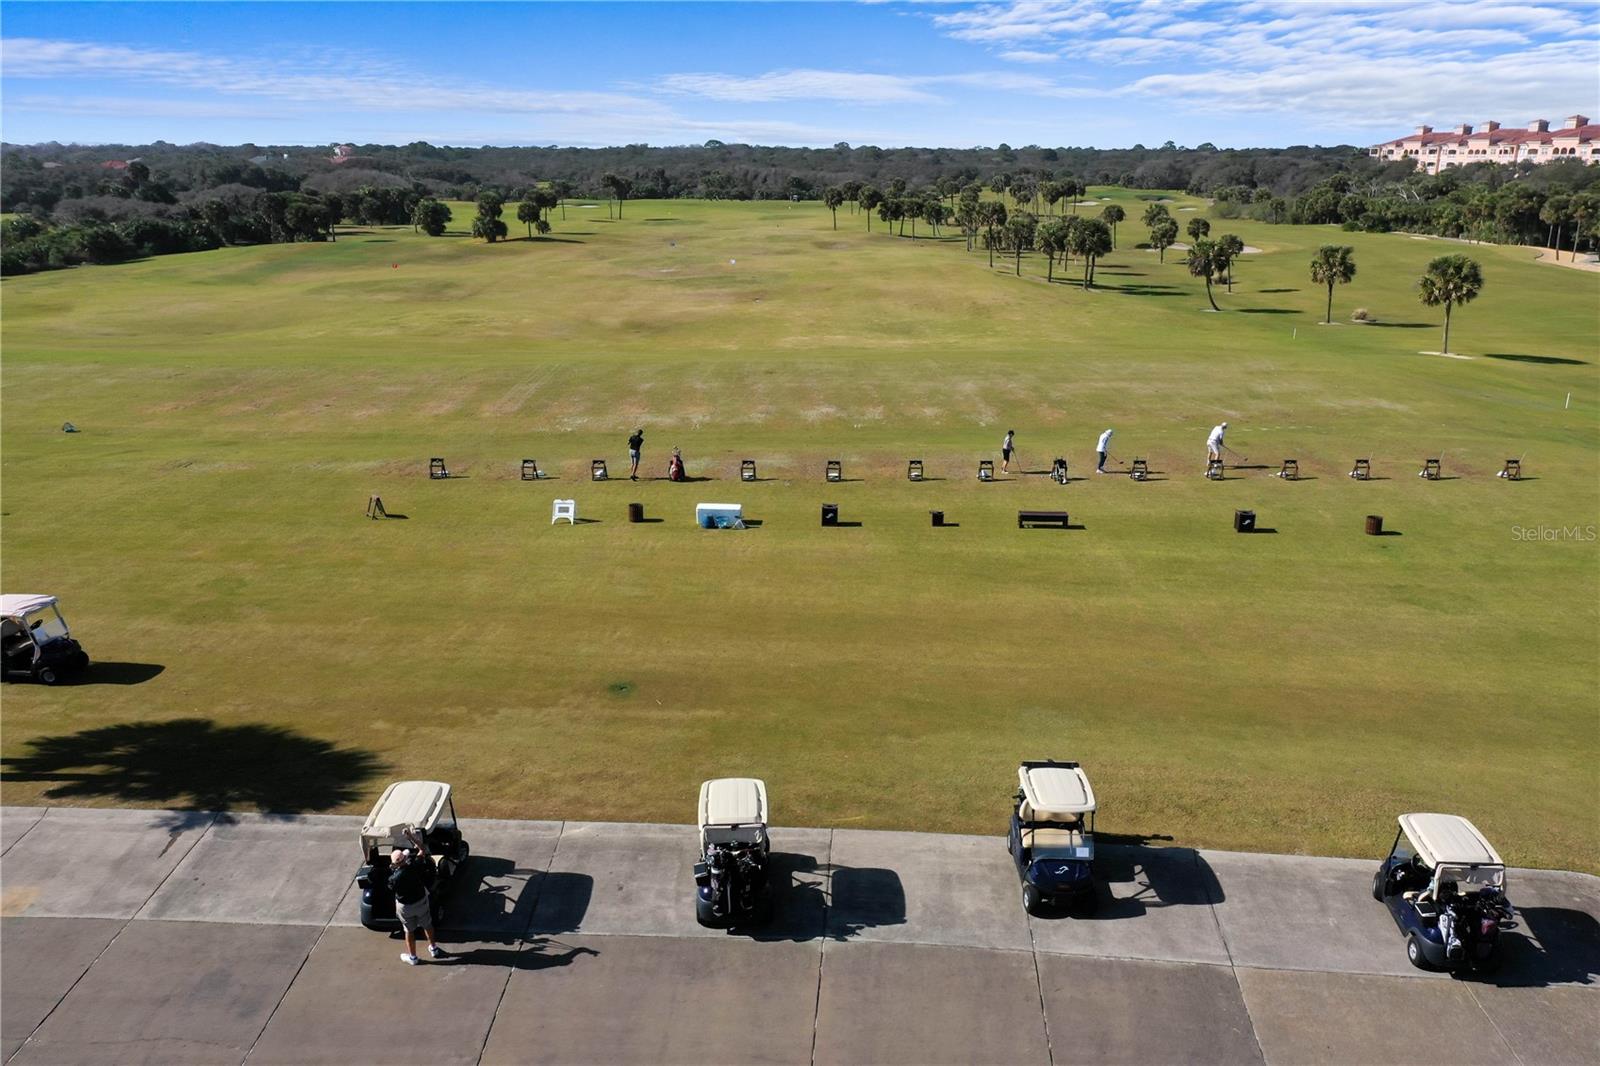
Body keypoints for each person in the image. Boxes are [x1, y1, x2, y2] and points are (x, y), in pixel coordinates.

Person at [389, 830, 444, 965]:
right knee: (427, 924)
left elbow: (391, 886)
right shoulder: (414, 865)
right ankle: (434, 948)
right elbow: (422, 849)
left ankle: (413, 957)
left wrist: (394, 869)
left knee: (409, 930)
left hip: (405, 907)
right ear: (404, 858)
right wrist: (410, 836)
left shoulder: (394, 878)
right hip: (421, 901)